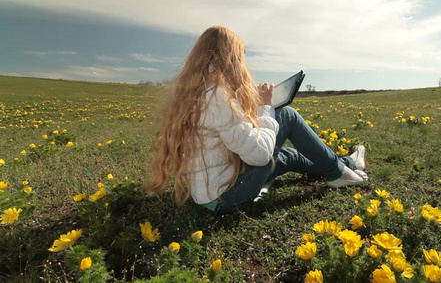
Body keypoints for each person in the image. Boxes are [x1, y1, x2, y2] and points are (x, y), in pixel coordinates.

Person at [147, 25, 368, 214]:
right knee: (287, 116)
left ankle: (345, 163)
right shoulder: (217, 97)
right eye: (240, 57)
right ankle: (337, 173)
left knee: (286, 156)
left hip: (210, 196)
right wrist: (265, 108)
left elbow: (227, 131)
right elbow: (261, 156)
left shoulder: (199, 90)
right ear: (231, 58)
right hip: (225, 199)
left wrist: (250, 108)